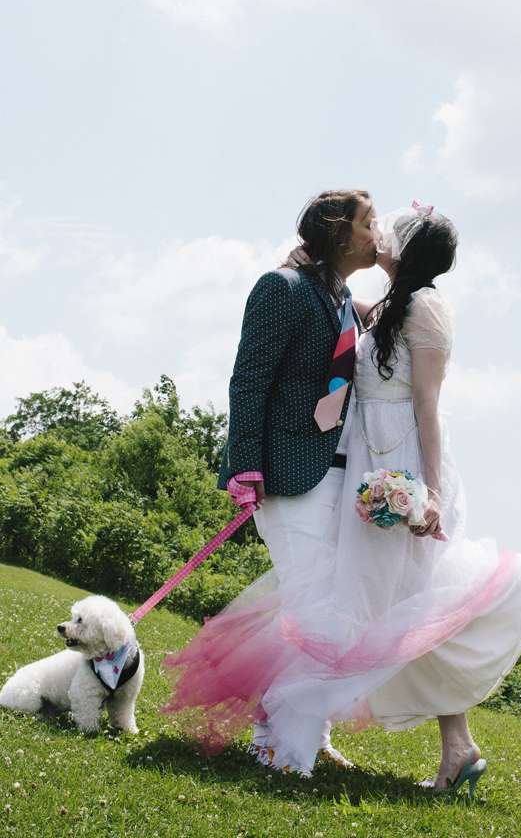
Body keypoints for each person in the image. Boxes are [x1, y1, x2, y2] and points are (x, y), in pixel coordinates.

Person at [163, 201, 521, 797]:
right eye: (370, 224)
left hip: (406, 467)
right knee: (401, 603)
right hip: (366, 465)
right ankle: (452, 744)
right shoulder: (379, 304)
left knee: (420, 596)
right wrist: (310, 265)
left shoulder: (426, 306)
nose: (379, 232)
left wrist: (429, 492)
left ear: (407, 250)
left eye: (389, 229)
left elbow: (428, 406)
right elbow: (324, 319)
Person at [163, 189, 377, 769]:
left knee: (322, 607)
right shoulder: (281, 287)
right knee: (314, 613)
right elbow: (249, 379)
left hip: (337, 478)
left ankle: (309, 730)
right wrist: (245, 465)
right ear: (339, 233)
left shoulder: (342, 297)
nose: (376, 234)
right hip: (286, 476)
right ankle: (272, 739)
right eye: (369, 223)